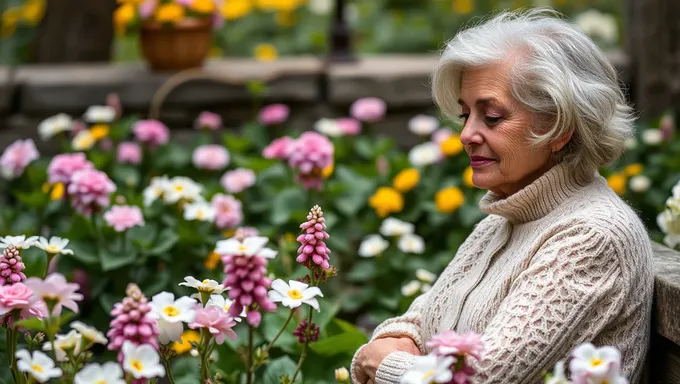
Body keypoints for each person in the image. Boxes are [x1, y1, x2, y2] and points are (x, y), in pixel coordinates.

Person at [351, 8, 654, 384]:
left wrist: (384, 365)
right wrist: (397, 341)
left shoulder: (592, 238)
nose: (466, 135)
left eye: (492, 117)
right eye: (465, 116)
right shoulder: (506, 218)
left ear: (560, 128)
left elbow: (481, 379)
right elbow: (421, 321)